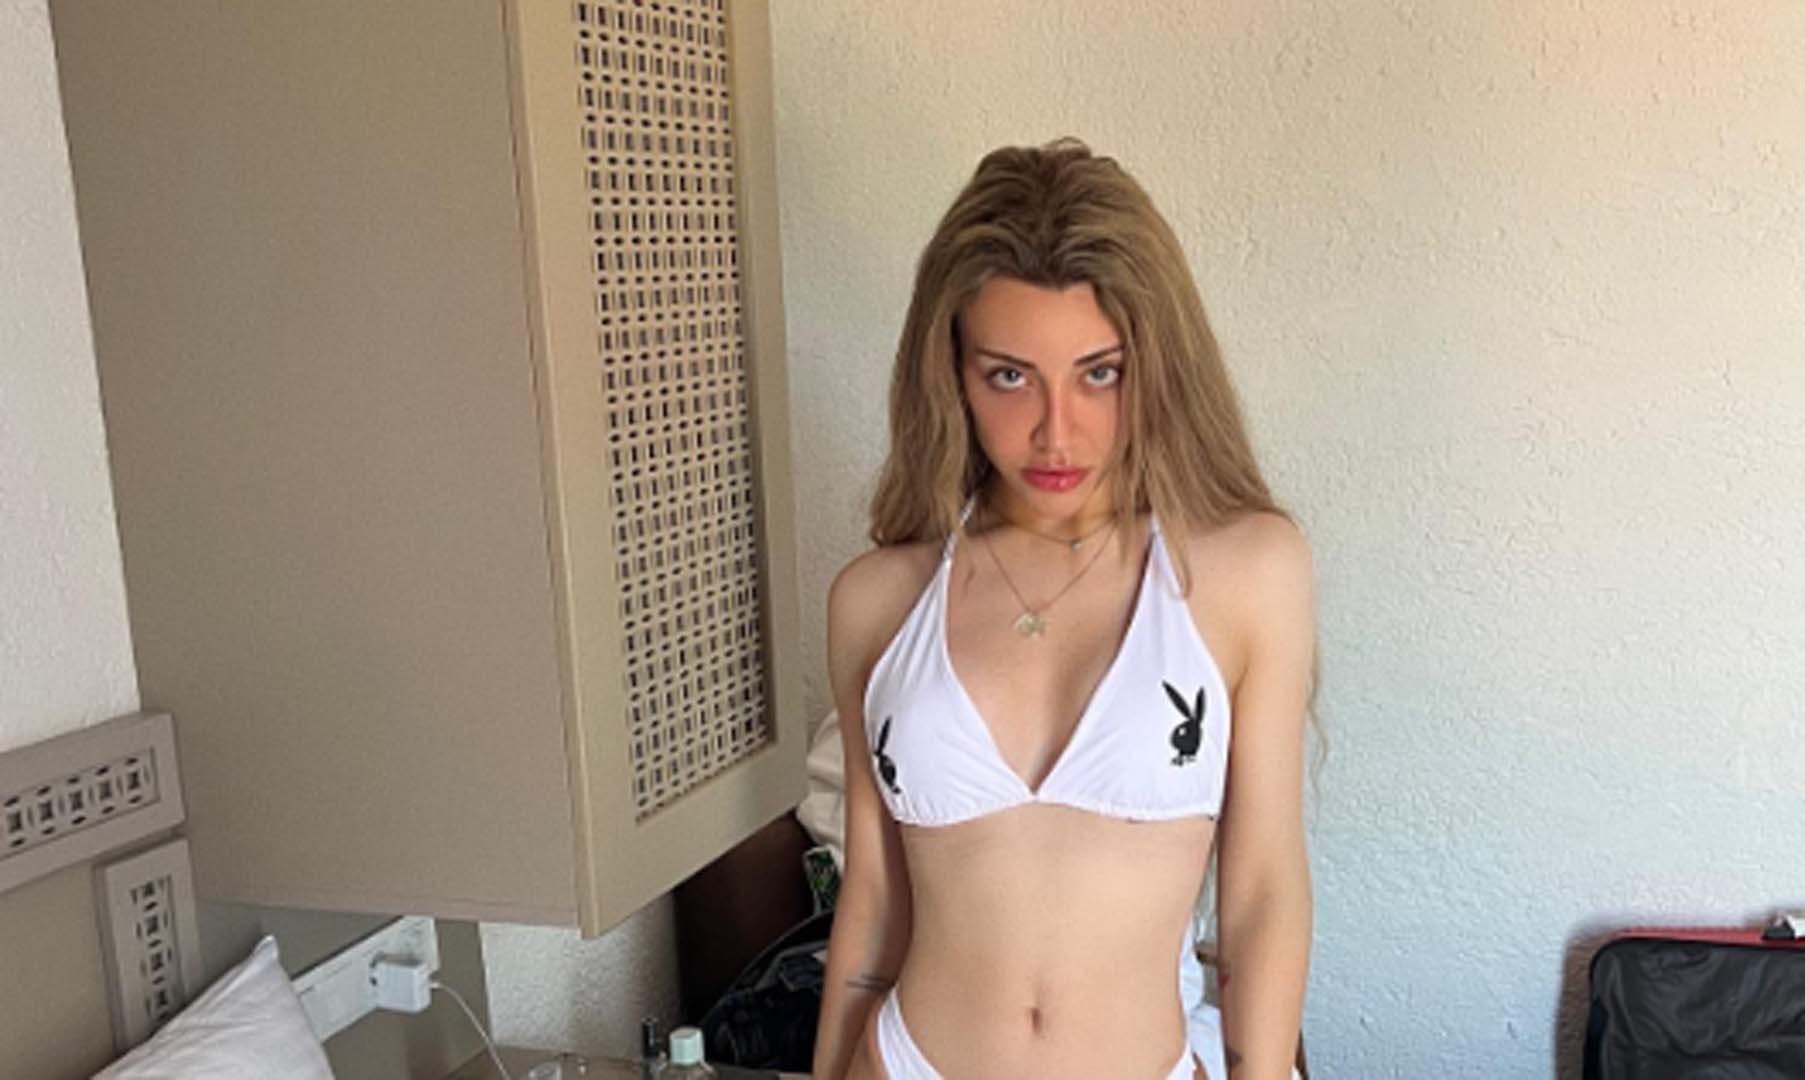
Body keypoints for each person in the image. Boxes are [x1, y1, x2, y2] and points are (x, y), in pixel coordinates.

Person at [811, 137, 1315, 1080]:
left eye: (1099, 373)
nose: (1055, 431)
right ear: (951, 373)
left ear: (1155, 366)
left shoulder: (1246, 571)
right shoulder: (876, 600)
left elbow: (1260, 895)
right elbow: (873, 909)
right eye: (1009, 376)